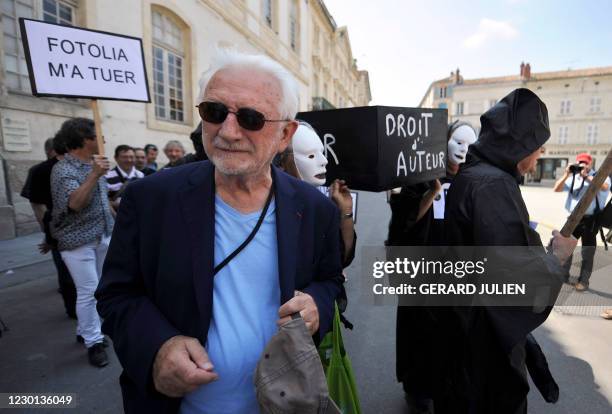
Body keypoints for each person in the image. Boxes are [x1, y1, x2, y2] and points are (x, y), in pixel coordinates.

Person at [95, 50, 344, 414]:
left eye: (251, 118)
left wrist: (316, 306)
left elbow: (331, 283)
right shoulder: (151, 198)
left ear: (284, 134)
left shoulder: (316, 209)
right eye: (214, 112)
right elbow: (117, 294)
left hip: (285, 403)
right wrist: (157, 346)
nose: (227, 131)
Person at [442, 88, 577, 413]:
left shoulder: (476, 175)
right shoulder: (493, 185)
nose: (536, 160)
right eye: (536, 149)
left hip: (465, 332)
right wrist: (558, 258)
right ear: (520, 145)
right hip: (484, 346)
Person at [51, 118, 114, 368]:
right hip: (78, 241)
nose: (103, 141)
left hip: (102, 235)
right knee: (89, 292)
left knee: (100, 289)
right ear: (84, 139)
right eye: (98, 136)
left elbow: (102, 201)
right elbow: (75, 203)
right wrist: (94, 175)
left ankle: (85, 330)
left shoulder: (94, 164)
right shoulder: (64, 169)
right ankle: (93, 343)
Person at [21, 136, 77, 320]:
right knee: (66, 273)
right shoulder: (40, 171)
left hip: (82, 228)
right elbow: (38, 206)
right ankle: (73, 310)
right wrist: (49, 234)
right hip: (60, 231)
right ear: (51, 151)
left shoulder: (76, 167)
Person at [553, 153, 611, 291]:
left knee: (587, 251)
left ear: (590, 164)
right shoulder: (574, 176)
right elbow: (557, 189)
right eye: (580, 162)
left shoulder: (601, 175)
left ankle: (584, 281)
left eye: (585, 163)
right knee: (566, 248)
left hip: (591, 220)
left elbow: (604, 186)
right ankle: (563, 275)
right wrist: (567, 174)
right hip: (573, 219)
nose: (582, 165)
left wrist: (588, 177)